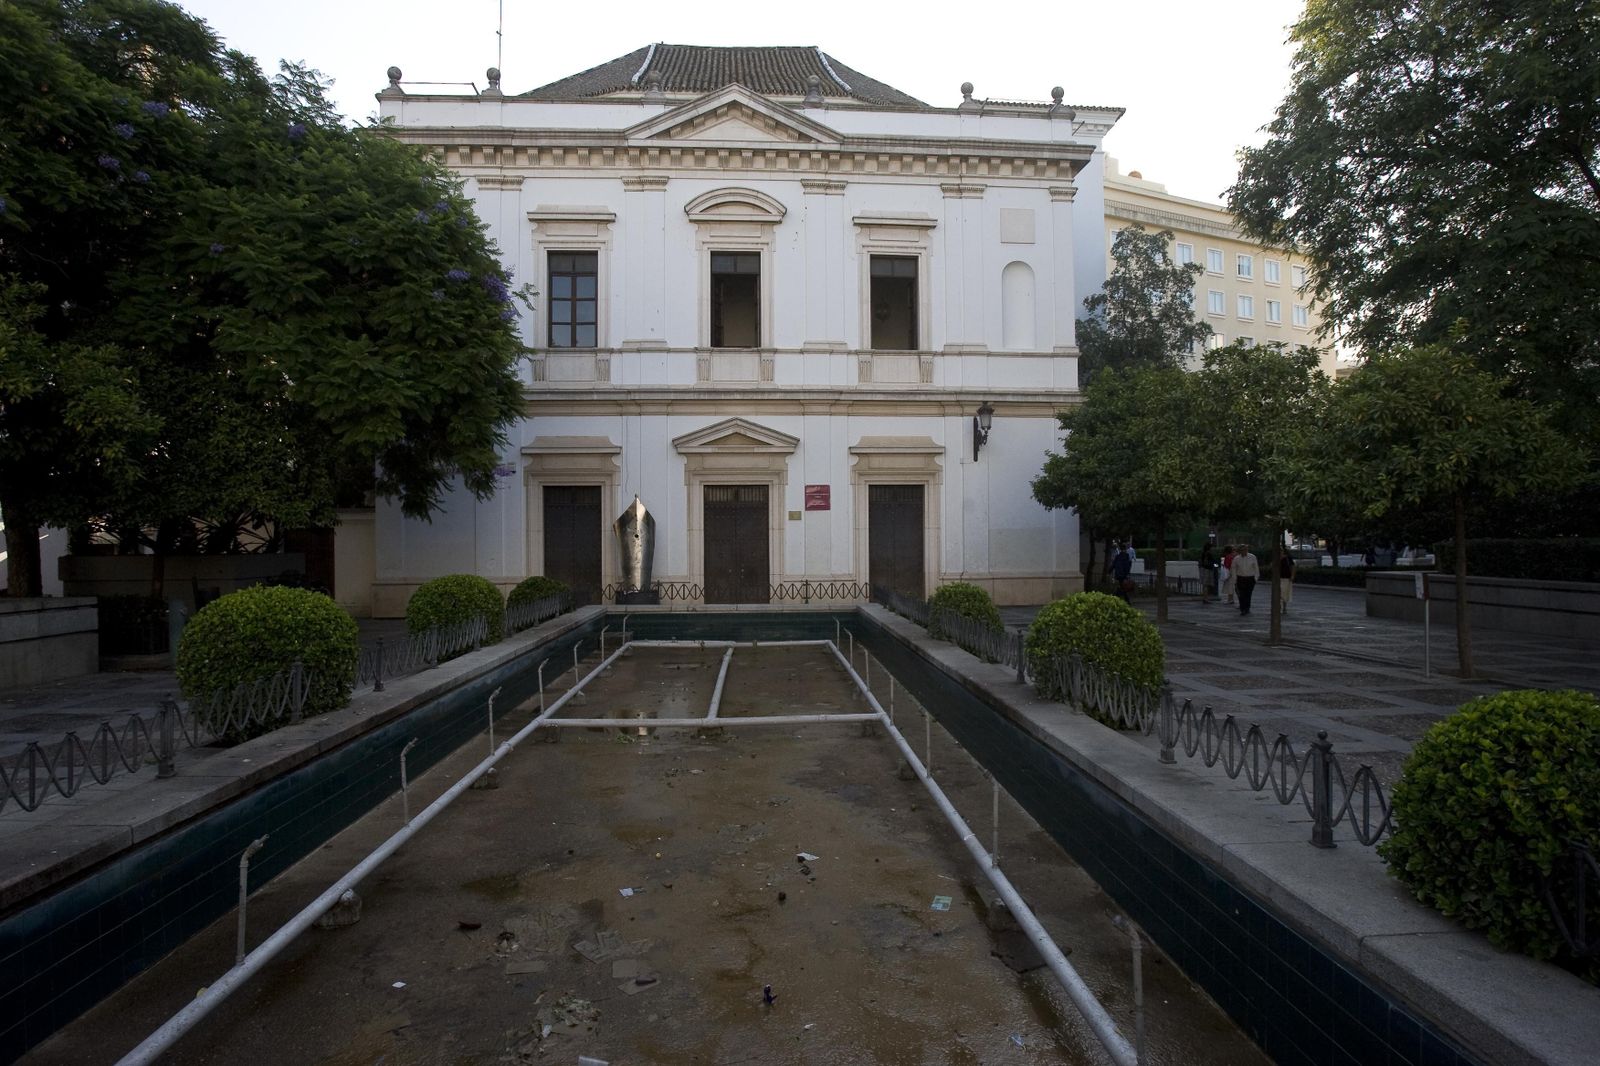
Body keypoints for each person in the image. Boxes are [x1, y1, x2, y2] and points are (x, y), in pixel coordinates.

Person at [1232, 543, 1260, 615]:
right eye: (1242, 550)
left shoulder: (1252, 557)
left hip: (1250, 578)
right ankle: (1242, 608)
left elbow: (1256, 568)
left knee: (1248, 594)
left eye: (1245, 550)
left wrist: (1255, 578)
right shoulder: (1236, 559)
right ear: (1240, 551)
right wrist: (1235, 579)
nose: (1244, 551)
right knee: (1241, 594)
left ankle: (1247, 607)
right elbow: (1233, 569)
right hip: (1240, 578)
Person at [1277, 547, 1296, 613]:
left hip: (1286, 578)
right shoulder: (1276, 559)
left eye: (1281, 551)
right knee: (1278, 593)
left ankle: (1284, 607)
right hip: (1277, 579)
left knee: (1285, 593)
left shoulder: (1288, 558)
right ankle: (1278, 606)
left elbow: (1292, 566)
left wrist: (1292, 576)